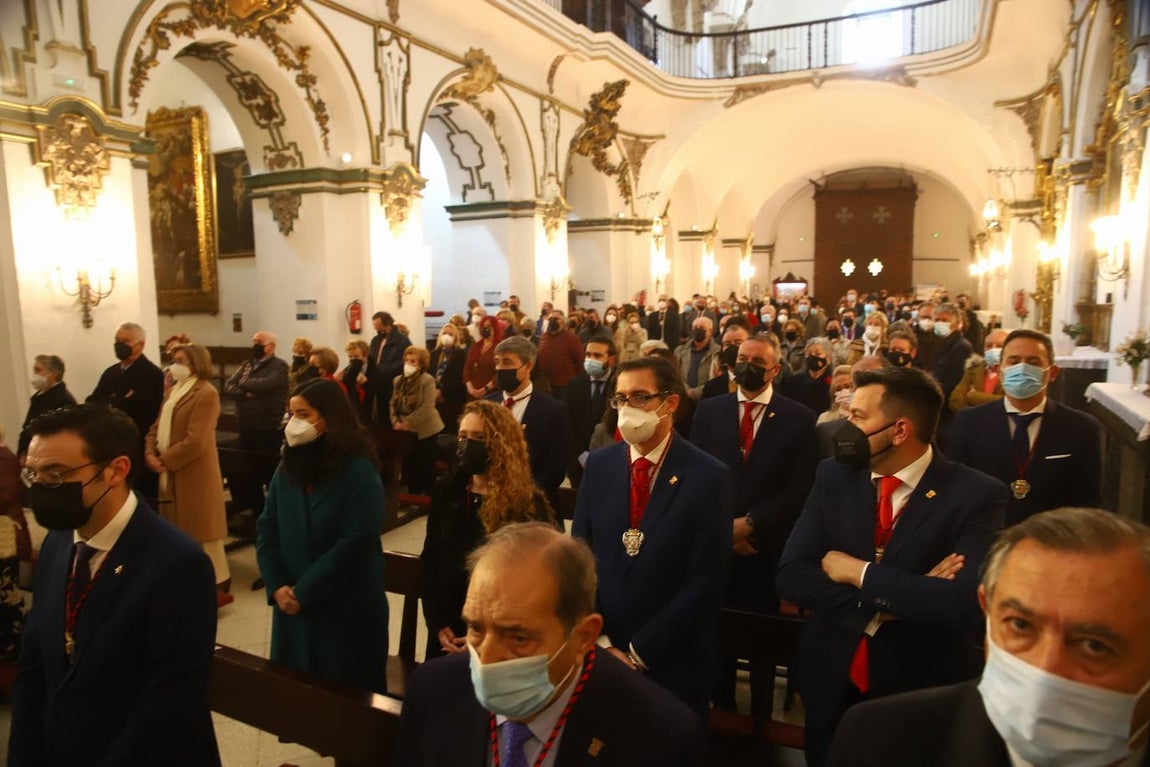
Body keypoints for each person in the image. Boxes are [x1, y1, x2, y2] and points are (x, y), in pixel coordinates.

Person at [777, 366, 1007, 766]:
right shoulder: (834, 476)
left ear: (899, 430)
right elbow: (792, 575)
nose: (845, 426)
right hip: (832, 676)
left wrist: (857, 572)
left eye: (859, 418)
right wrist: (900, 599)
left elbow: (962, 603)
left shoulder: (975, 495)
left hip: (919, 689)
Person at [827, 507, 1150, 767]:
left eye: (1094, 646)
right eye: (1020, 626)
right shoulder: (880, 740)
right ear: (987, 609)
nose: (1044, 669)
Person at [397, 523, 707, 766]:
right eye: (476, 628)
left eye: (518, 637)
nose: (486, 658)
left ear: (583, 637)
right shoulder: (432, 692)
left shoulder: (661, 736)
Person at [10, 404, 219, 765]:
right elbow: (35, 666)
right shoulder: (58, 543)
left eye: (56, 475)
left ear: (116, 470)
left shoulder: (177, 563)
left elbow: (166, 702)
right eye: (32, 475)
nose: (41, 487)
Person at [572, 356, 732, 716]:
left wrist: (636, 653)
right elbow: (579, 557)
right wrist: (601, 642)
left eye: (640, 397)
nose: (627, 408)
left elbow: (706, 582)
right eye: (621, 398)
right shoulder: (599, 465)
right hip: (602, 650)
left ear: (670, 403)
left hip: (675, 658)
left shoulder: (708, 476)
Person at [691, 332, 818, 704]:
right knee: (716, 631)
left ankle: (760, 706)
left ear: (775, 369)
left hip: (765, 545)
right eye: (742, 358)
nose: (747, 366)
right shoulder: (710, 410)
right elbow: (698, 474)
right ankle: (722, 704)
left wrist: (751, 523)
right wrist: (722, 529)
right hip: (716, 544)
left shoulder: (798, 417)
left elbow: (801, 486)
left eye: (758, 362)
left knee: (759, 633)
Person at [256, 379, 388, 693]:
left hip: (343, 607)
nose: (293, 423)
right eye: (291, 414)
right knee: (303, 704)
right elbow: (267, 528)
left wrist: (304, 592)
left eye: (303, 414)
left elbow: (354, 543)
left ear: (328, 417)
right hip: (293, 605)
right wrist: (276, 586)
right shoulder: (288, 466)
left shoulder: (359, 472)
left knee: (346, 706)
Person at [421, 401, 558, 660]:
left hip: (500, 635)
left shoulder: (525, 502)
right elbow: (431, 562)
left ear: (500, 443)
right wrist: (438, 624)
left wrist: (481, 635)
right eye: (462, 436)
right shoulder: (447, 490)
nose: (467, 444)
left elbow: (532, 581)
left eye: (479, 437)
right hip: (447, 631)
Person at [946, 329, 1101, 527]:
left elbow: (1087, 505)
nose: (1022, 368)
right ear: (1001, 369)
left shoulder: (1082, 428)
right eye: (1013, 361)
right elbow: (957, 492)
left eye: (1033, 362)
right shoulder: (969, 422)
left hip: (1052, 542)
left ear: (1052, 372)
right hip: (986, 539)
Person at [144, 343, 231, 599]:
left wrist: (165, 459)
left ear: (195, 363)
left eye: (181, 360)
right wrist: (150, 452)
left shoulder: (206, 393)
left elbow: (197, 440)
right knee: (177, 530)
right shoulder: (174, 392)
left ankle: (214, 586)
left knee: (203, 532)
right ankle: (183, 580)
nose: (174, 365)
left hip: (194, 472)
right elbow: (155, 427)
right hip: (169, 470)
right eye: (174, 360)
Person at [86, 322, 164, 500]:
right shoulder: (111, 372)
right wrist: (118, 400)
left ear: (140, 345)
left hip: (136, 442)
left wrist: (113, 402)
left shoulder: (151, 374)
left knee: (139, 493)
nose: (119, 345)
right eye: (117, 340)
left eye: (125, 341)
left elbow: (145, 409)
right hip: (110, 441)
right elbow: (92, 402)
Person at [488, 335, 568, 506]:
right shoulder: (487, 405)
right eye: (497, 362)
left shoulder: (552, 410)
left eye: (507, 362)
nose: (500, 368)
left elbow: (555, 468)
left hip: (531, 502)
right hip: (489, 497)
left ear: (528, 366)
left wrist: (523, 496)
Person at [224, 329, 290, 452]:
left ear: (272, 346)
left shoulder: (279, 366)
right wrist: (244, 394)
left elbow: (266, 385)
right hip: (244, 421)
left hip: (266, 423)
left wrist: (243, 382)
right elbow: (229, 385)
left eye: (259, 342)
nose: (255, 345)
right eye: (254, 341)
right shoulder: (247, 364)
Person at [391, 345, 444, 495]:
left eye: (413, 361)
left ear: (421, 364)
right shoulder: (398, 380)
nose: (408, 364)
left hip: (426, 429)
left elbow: (427, 407)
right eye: (406, 360)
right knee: (409, 462)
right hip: (404, 429)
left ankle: (429, 495)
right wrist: (395, 421)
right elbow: (392, 403)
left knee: (425, 463)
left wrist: (406, 422)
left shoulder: (427, 380)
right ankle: (413, 493)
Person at [566, 338, 617, 486]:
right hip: (580, 463)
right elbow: (568, 424)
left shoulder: (619, 384)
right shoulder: (575, 384)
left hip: (612, 460)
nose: (591, 359)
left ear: (611, 360)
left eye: (597, 355)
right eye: (588, 354)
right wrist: (581, 455)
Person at [0, 425, 29, 678]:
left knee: (7, 605)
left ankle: (11, 669)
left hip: (4, 540)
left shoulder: (4, 458)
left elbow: (7, 496)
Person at [18, 354, 77, 459]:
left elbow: (60, 433)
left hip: (49, 454)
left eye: (38, 370)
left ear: (53, 374)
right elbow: (28, 426)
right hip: (33, 452)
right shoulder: (39, 396)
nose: (35, 374)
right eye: (34, 370)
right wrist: (22, 450)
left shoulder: (63, 399)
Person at [365, 311, 411, 425]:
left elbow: (403, 361)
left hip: (391, 381)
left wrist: (383, 371)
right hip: (376, 382)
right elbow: (372, 358)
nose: (377, 330)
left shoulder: (402, 340)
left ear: (387, 324)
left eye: (378, 327)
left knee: (389, 413)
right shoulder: (375, 340)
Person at [948, 327, 1007, 413]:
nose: (993, 350)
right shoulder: (973, 370)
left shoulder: (1013, 373)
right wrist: (974, 416)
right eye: (988, 346)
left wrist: (973, 396)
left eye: (999, 346)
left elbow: (1008, 403)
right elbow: (954, 400)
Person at [536, 308, 585, 401]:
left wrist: (577, 381)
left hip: (564, 385)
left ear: (563, 322)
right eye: (550, 319)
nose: (553, 321)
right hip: (545, 383)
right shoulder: (543, 337)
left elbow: (580, 361)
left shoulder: (572, 338)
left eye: (556, 319)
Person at [430, 323, 468, 432]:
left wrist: (442, 391)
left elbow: (458, 376)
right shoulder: (434, 353)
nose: (447, 336)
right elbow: (431, 373)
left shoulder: (460, 354)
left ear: (456, 337)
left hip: (453, 396)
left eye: (450, 334)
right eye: (445, 333)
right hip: (435, 396)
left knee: (450, 427)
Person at [782, 336, 834, 413]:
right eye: (809, 353)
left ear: (828, 358)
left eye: (818, 353)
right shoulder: (794, 381)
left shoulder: (834, 382)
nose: (812, 356)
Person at [674, 315, 720, 400]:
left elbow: (717, 378)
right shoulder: (680, 351)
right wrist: (686, 391)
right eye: (695, 327)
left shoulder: (718, 352)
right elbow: (675, 374)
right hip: (684, 398)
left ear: (710, 331)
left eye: (701, 327)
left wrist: (696, 392)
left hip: (708, 398)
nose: (697, 329)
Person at [700, 323, 748, 400]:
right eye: (727, 344)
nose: (732, 347)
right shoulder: (711, 387)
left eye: (738, 343)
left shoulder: (763, 384)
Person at [465, 314, 501, 400]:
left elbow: (500, 373)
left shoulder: (499, 347)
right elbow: (467, 368)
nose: (485, 328)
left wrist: (485, 389)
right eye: (483, 326)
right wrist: (470, 388)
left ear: (495, 328)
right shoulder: (476, 346)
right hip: (472, 392)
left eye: (488, 326)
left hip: (491, 393)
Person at [340, 339, 370, 417]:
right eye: (350, 357)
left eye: (356, 356)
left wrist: (366, 384)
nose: (353, 359)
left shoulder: (374, 372)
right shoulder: (346, 372)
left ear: (365, 356)